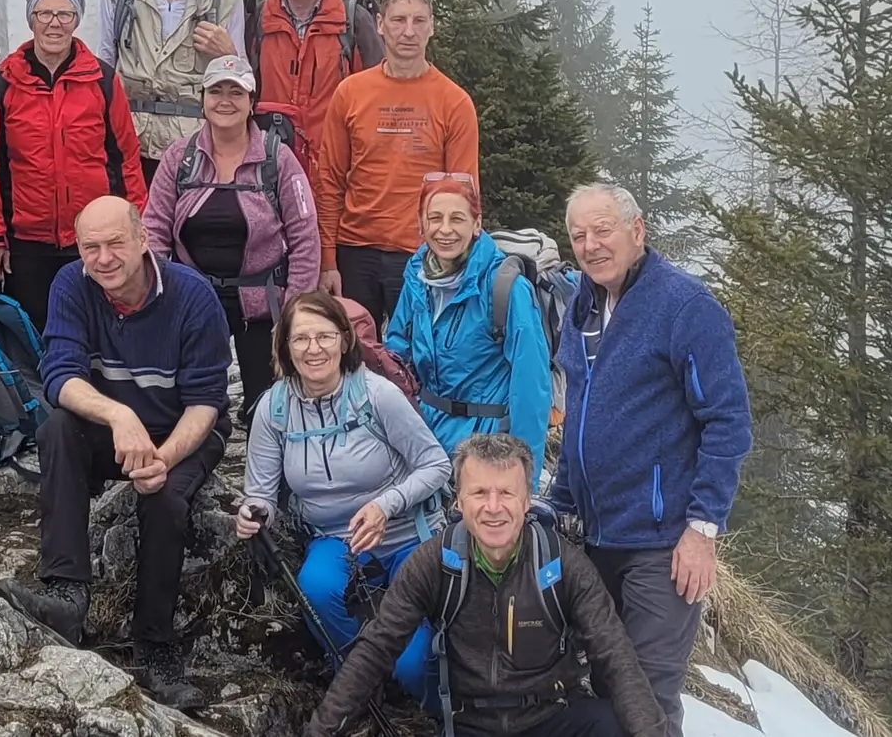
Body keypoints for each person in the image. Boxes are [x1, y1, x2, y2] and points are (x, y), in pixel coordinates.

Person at [0, 196, 230, 710]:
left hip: (182, 427)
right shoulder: (72, 286)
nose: (102, 258)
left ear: (144, 239)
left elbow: (206, 404)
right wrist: (120, 417)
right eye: (90, 247)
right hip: (116, 424)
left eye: (115, 243)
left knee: (164, 499)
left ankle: (155, 646)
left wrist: (163, 459)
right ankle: (66, 594)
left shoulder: (193, 297)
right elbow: (59, 377)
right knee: (58, 429)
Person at [547, 184, 751, 737]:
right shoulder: (582, 306)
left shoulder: (686, 306)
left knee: (647, 698)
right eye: (578, 235)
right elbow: (581, 420)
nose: (590, 245)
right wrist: (558, 503)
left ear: (637, 231)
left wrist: (702, 530)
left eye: (603, 230)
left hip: (662, 545)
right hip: (596, 537)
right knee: (609, 688)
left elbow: (728, 421)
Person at [304, 433, 669, 737]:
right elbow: (377, 648)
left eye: (506, 494)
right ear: (459, 501)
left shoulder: (563, 565)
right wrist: (321, 730)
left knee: (614, 724)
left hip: (553, 719)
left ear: (527, 501)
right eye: (479, 493)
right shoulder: (433, 563)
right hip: (470, 723)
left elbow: (615, 656)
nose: (493, 507)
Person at [235, 289, 451, 705]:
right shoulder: (273, 409)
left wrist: (385, 505)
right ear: (285, 346)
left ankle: (431, 706)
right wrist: (254, 513)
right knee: (315, 587)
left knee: (410, 664)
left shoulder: (377, 395)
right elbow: (260, 493)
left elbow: (436, 465)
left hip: (408, 534)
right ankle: (358, 676)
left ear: (344, 340)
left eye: (325, 336)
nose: (313, 349)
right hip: (334, 537)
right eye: (300, 339)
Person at [142, 55, 319, 419]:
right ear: (202, 99)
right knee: (191, 402)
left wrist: (295, 309)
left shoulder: (277, 159)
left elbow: (305, 236)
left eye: (235, 92)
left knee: (268, 409)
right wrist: (157, 293)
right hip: (194, 298)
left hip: (263, 302)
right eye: (216, 91)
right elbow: (155, 228)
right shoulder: (180, 157)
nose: (225, 101)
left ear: (251, 101)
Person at [0, 0, 144, 329]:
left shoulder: (102, 79)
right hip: (25, 243)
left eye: (65, 14)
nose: (55, 23)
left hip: (94, 238)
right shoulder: (3, 82)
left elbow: (127, 158)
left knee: (100, 333)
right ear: (31, 18)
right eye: (45, 13)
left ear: (77, 19)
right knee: (35, 337)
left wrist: (136, 230)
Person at [317, 0, 479, 329]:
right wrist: (328, 260)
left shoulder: (454, 102)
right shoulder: (350, 93)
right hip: (354, 252)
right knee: (354, 358)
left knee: (423, 359)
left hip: (422, 253)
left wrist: (458, 263)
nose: (408, 31)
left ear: (432, 26)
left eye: (418, 21)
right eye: (398, 20)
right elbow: (329, 181)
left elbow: (464, 195)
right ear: (380, 25)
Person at [386, 174, 553, 482]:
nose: (445, 229)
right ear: (421, 225)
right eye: (434, 218)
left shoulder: (506, 288)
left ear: (477, 225)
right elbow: (397, 355)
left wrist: (524, 479)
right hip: (426, 444)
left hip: (487, 446)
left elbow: (531, 388)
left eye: (457, 219)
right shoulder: (417, 279)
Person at [97, 0, 244, 186]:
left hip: (197, 145)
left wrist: (228, 54)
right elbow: (105, 59)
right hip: (130, 141)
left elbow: (241, 80)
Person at [254, 0, 370, 183]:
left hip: (336, 168)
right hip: (271, 166)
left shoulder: (353, 20)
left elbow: (376, 97)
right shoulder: (260, 19)